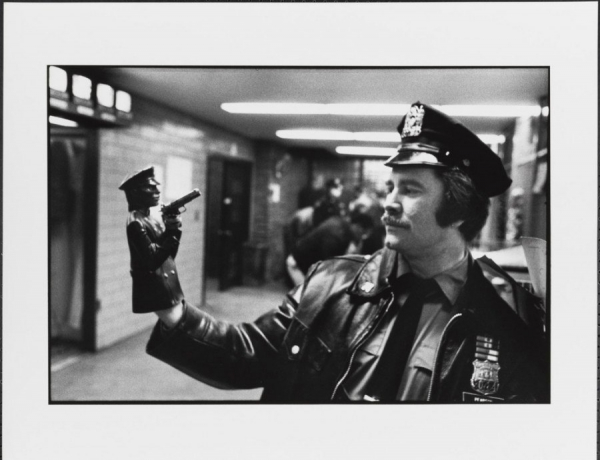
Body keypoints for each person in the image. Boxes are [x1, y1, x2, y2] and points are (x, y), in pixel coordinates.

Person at [146, 102, 548, 403]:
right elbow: (245, 353)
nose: (388, 202)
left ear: (459, 209)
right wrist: (167, 297)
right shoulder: (329, 283)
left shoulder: (512, 317)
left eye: (409, 190)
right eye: (391, 187)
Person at [119, 166, 185, 322]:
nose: (157, 191)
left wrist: (173, 229)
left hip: (166, 285)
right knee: (180, 329)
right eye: (150, 187)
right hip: (154, 288)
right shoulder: (136, 223)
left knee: (176, 331)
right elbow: (152, 261)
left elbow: (168, 257)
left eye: (156, 186)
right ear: (135, 192)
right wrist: (170, 234)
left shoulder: (150, 219)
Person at [286, 212, 375, 286]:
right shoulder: (337, 234)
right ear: (358, 227)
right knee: (305, 299)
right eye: (363, 233)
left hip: (303, 263)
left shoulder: (341, 226)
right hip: (297, 264)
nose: (362, 237)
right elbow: (329, 262)